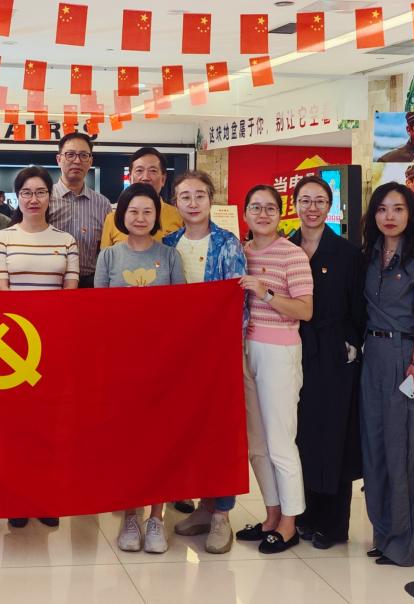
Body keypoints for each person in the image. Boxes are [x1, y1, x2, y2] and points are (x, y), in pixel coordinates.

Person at [95, 183, 186, 553]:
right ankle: (130, 516)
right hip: (121, 363)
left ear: (157, 216)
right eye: (133, 211)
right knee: (127, 441)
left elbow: (183, 308)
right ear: (122, 215)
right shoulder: (109, 257)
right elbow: (98, 311)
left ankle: (156, 518)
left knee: (159, 439)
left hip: (160, 363)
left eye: (148, 211)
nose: (140, 217)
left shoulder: (170, 256)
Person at [164, 169, 247, 554]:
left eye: (200, 195)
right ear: (175, 202)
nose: (193, 203)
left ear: (211, 199)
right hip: (179, 356)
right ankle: (201, 506)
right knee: (189, 432)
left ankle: (221, 515)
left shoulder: (228, 243)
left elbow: (238, 301)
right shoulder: (168, 245)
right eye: (185, 196)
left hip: (217, 354)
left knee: (220, 434)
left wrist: (227, 346)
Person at [0, 165, 78, 528]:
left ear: (49, 197)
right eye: (26, 192)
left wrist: (50, 328)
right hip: (15, 346)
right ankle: (16, 496)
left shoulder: (66, 240)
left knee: (49, 425)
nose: (33, 199)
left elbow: (70, 292)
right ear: (17, 197)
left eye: (40, 192)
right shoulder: (3, 239)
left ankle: (44, 496)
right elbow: (1, 290)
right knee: (15, 426)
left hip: (54, 343)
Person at [360, 181, 414, 567]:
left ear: (410, 214)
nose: (389, 216)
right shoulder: (370, 254)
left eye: (398, 209)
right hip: (372, 355)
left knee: (406, 449)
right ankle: (384, 534)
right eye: (382, 209)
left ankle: (407, 544)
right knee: (375, 446)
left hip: (406, 356)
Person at [231, 185, 313, 554]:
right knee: (257, 444)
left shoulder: (292, 254)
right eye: (255, 208)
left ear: (280, 215)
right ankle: (271, 515)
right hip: (244, 349)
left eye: (269, 208)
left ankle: (290, 523)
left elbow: (305, 310)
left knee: (281, 442)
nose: (262, 214)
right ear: (245, 214)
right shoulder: (240, 252)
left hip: (279, 351)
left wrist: (265, 293)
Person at [286, 175, 365, 550]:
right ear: (295, 205)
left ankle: (333, 524)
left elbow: (359, 307)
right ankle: (305, 514)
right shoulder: (286, 248)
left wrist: (352, 343)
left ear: (330, 207)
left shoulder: (348, 253)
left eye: (319, 201)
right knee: (301, 434)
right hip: (294, 350)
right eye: (305, 200)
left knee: (333, 435)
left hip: (334, 354)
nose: (312, 208)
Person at [49, 132, 112, 288]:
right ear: (59, 159)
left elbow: (106, 249)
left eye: (83, 155)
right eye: (70, 155)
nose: (77, 161)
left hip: (90, 284)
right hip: (51, 283)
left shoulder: (103, 204)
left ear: (90, 161)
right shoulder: (44, 199)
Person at [99, 147, 184, 250]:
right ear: (130, 178)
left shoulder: (180, 216)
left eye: (153, 171)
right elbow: (105, 257)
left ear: (163, 179)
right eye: (139, 170)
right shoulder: (113, 219)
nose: (145, 177)